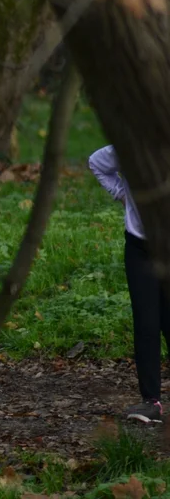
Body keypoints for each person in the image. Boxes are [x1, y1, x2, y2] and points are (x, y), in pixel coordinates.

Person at [89, 145, 168, 423]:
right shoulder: (128, 144)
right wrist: (121, 194)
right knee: (146, 324)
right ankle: (151, 402)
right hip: (140, 247)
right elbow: (97, 163)